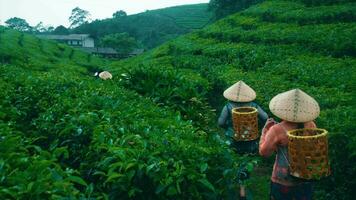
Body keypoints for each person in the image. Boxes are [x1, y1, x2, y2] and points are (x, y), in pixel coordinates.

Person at [259, 89, 320, 200]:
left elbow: (264, 153)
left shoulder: (277, 129)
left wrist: (264, 132)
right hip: (305, 176)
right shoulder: (311, 125)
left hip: (283, 180)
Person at [218, 80, 268, 200]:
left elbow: (220, 123)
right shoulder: (253, 105)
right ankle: (243, 189)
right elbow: (265, 117)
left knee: (235, 161)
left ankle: (235, 184)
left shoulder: (228, 106)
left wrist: (228, 128)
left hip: (233, 140)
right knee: (246, 163)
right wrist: (257, 127)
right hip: (250, 141)